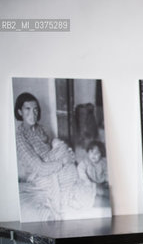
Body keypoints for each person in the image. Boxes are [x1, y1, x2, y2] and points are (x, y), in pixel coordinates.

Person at [14, 92, 95, 220]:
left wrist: (61, 149)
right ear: (19, 112)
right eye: (27, 109)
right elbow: (40, 168)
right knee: (64, 152)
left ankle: (73, 189)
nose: (33, 114)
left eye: (35, 109)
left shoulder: (40, 129)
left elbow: (51, 149)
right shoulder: (20, 137)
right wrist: (63, 160)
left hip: (53, 166)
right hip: (40, 175)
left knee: (62, 146)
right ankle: (69, 194)